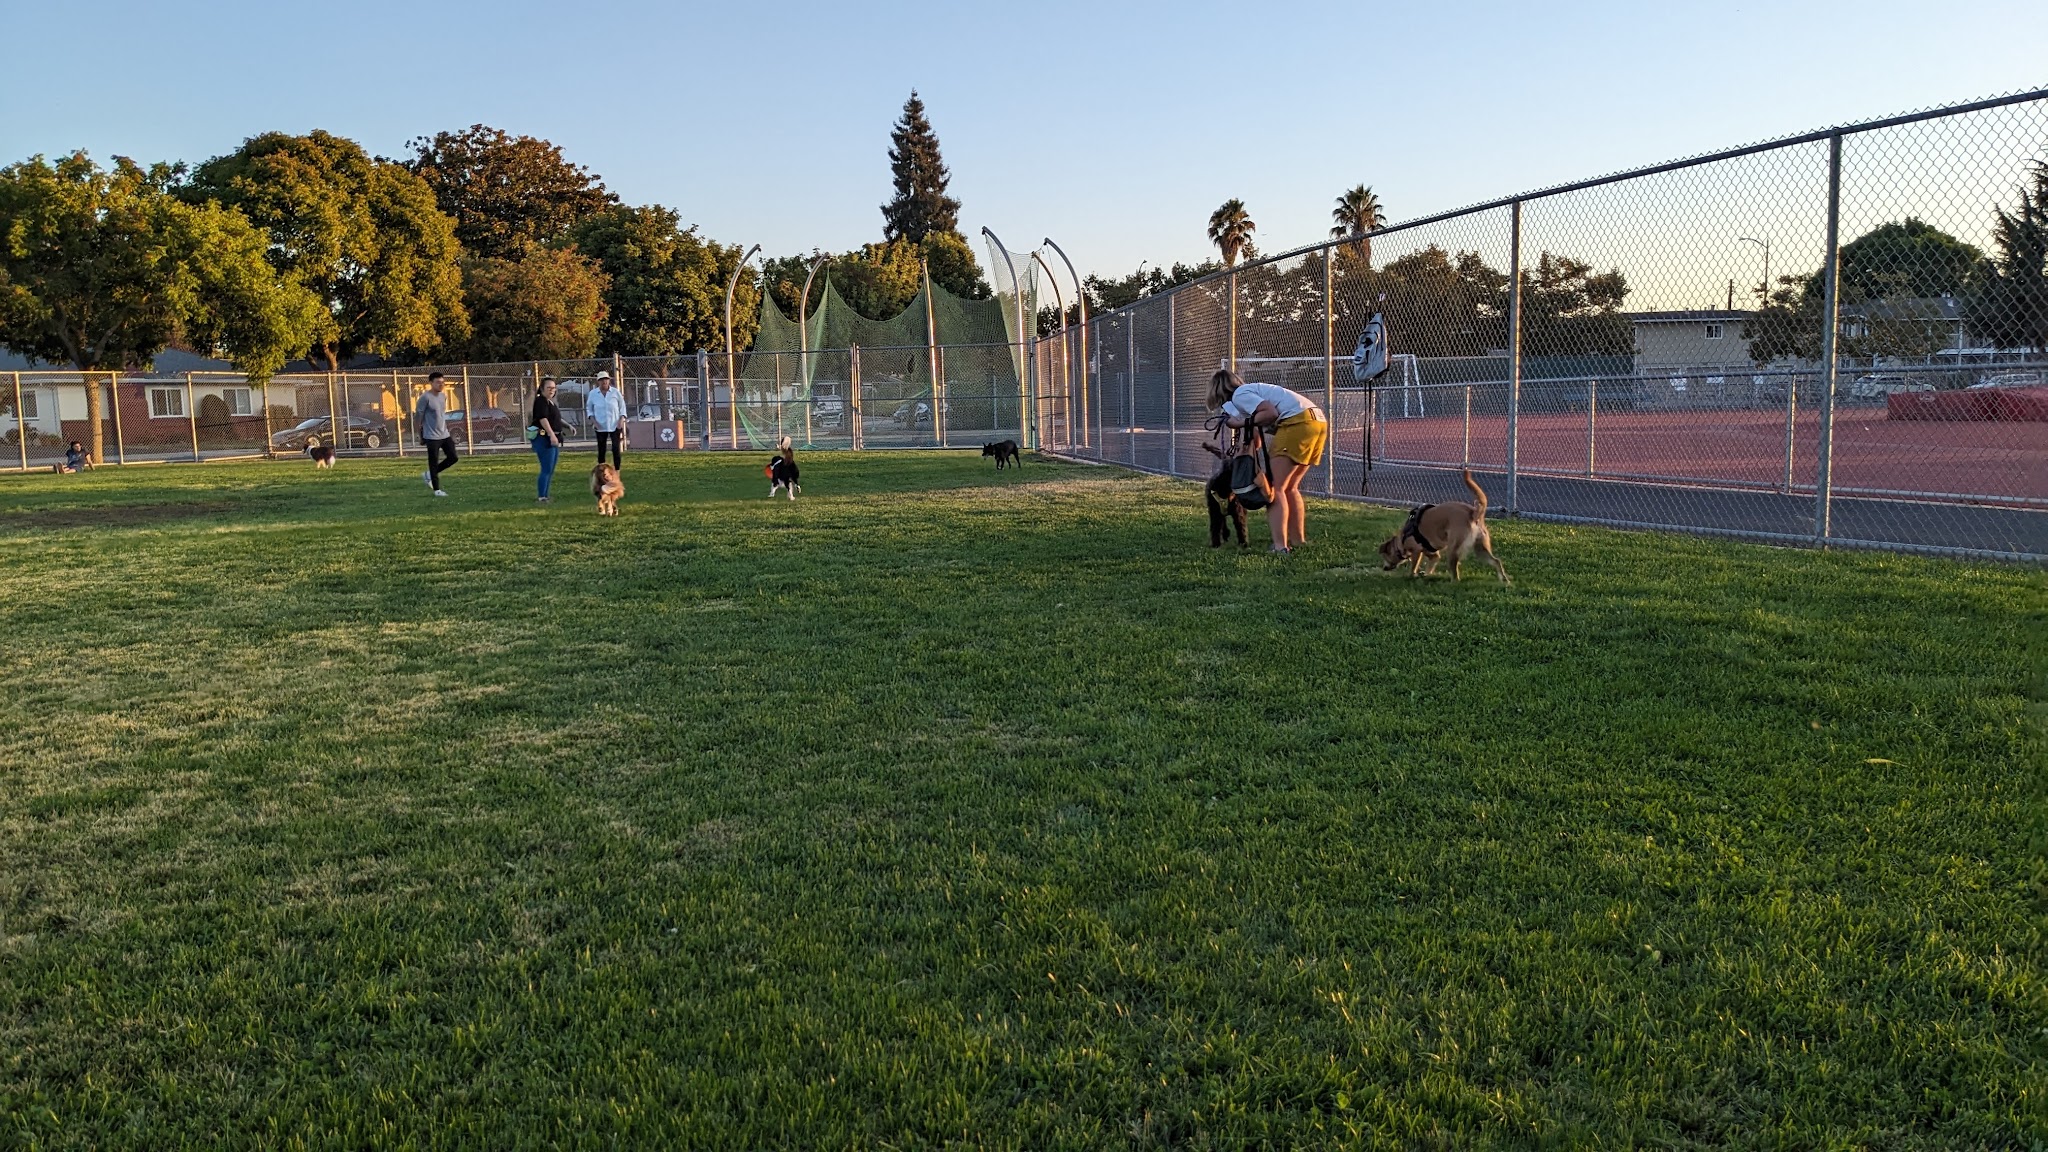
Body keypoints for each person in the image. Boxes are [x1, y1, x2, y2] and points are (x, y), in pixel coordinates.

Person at [1206, 369, 1328, 554]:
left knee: (1275, 488)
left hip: (1297, 422)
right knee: (1290, 488)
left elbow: (1269, 413)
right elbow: (1256, 435)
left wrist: (1238, 424)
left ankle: (1280, 547)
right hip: (1316, 421)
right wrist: (1243, 447)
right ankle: (1298, 540)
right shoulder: (1250, 395)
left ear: (1218, 391)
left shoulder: (1240, 395)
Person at [414, 371, 456, 496]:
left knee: (453, 457)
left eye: (442, 382)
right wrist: (420, 435)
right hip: (431, 436)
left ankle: (429, 475)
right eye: (438, 382)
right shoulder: (425, 398)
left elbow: (440, 415)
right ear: (431, 383)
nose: (441, 385)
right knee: (433, 461)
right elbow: (418, 418)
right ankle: (437, 490)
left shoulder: (443, 396)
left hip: (444, 434)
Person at [530, 376, 565, 503]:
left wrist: (569, 426)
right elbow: (543, 418)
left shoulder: (550, 402)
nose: (552, 390)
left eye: (554, 388)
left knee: (550, 468)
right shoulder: (541, 401)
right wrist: (551, 435)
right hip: (543, 438)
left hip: (552, 437)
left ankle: (545, 495)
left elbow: (555, 418)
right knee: (546, 468)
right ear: (542, 388)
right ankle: (542, 497)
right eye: (548, 388)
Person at [588, 370, 625, 470]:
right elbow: (589, 409)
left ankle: (617, 470)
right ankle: (601, 470)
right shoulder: (593, 394)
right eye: (601, 380)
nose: (604, 382)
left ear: (609, 380)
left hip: (615, 424)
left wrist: (621, 420)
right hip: (600, 425)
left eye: (606, 379)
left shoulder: (615, 392)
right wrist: (594, 422)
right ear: (598, 381)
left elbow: (622, 407)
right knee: (601, 449)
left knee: (615, 448)